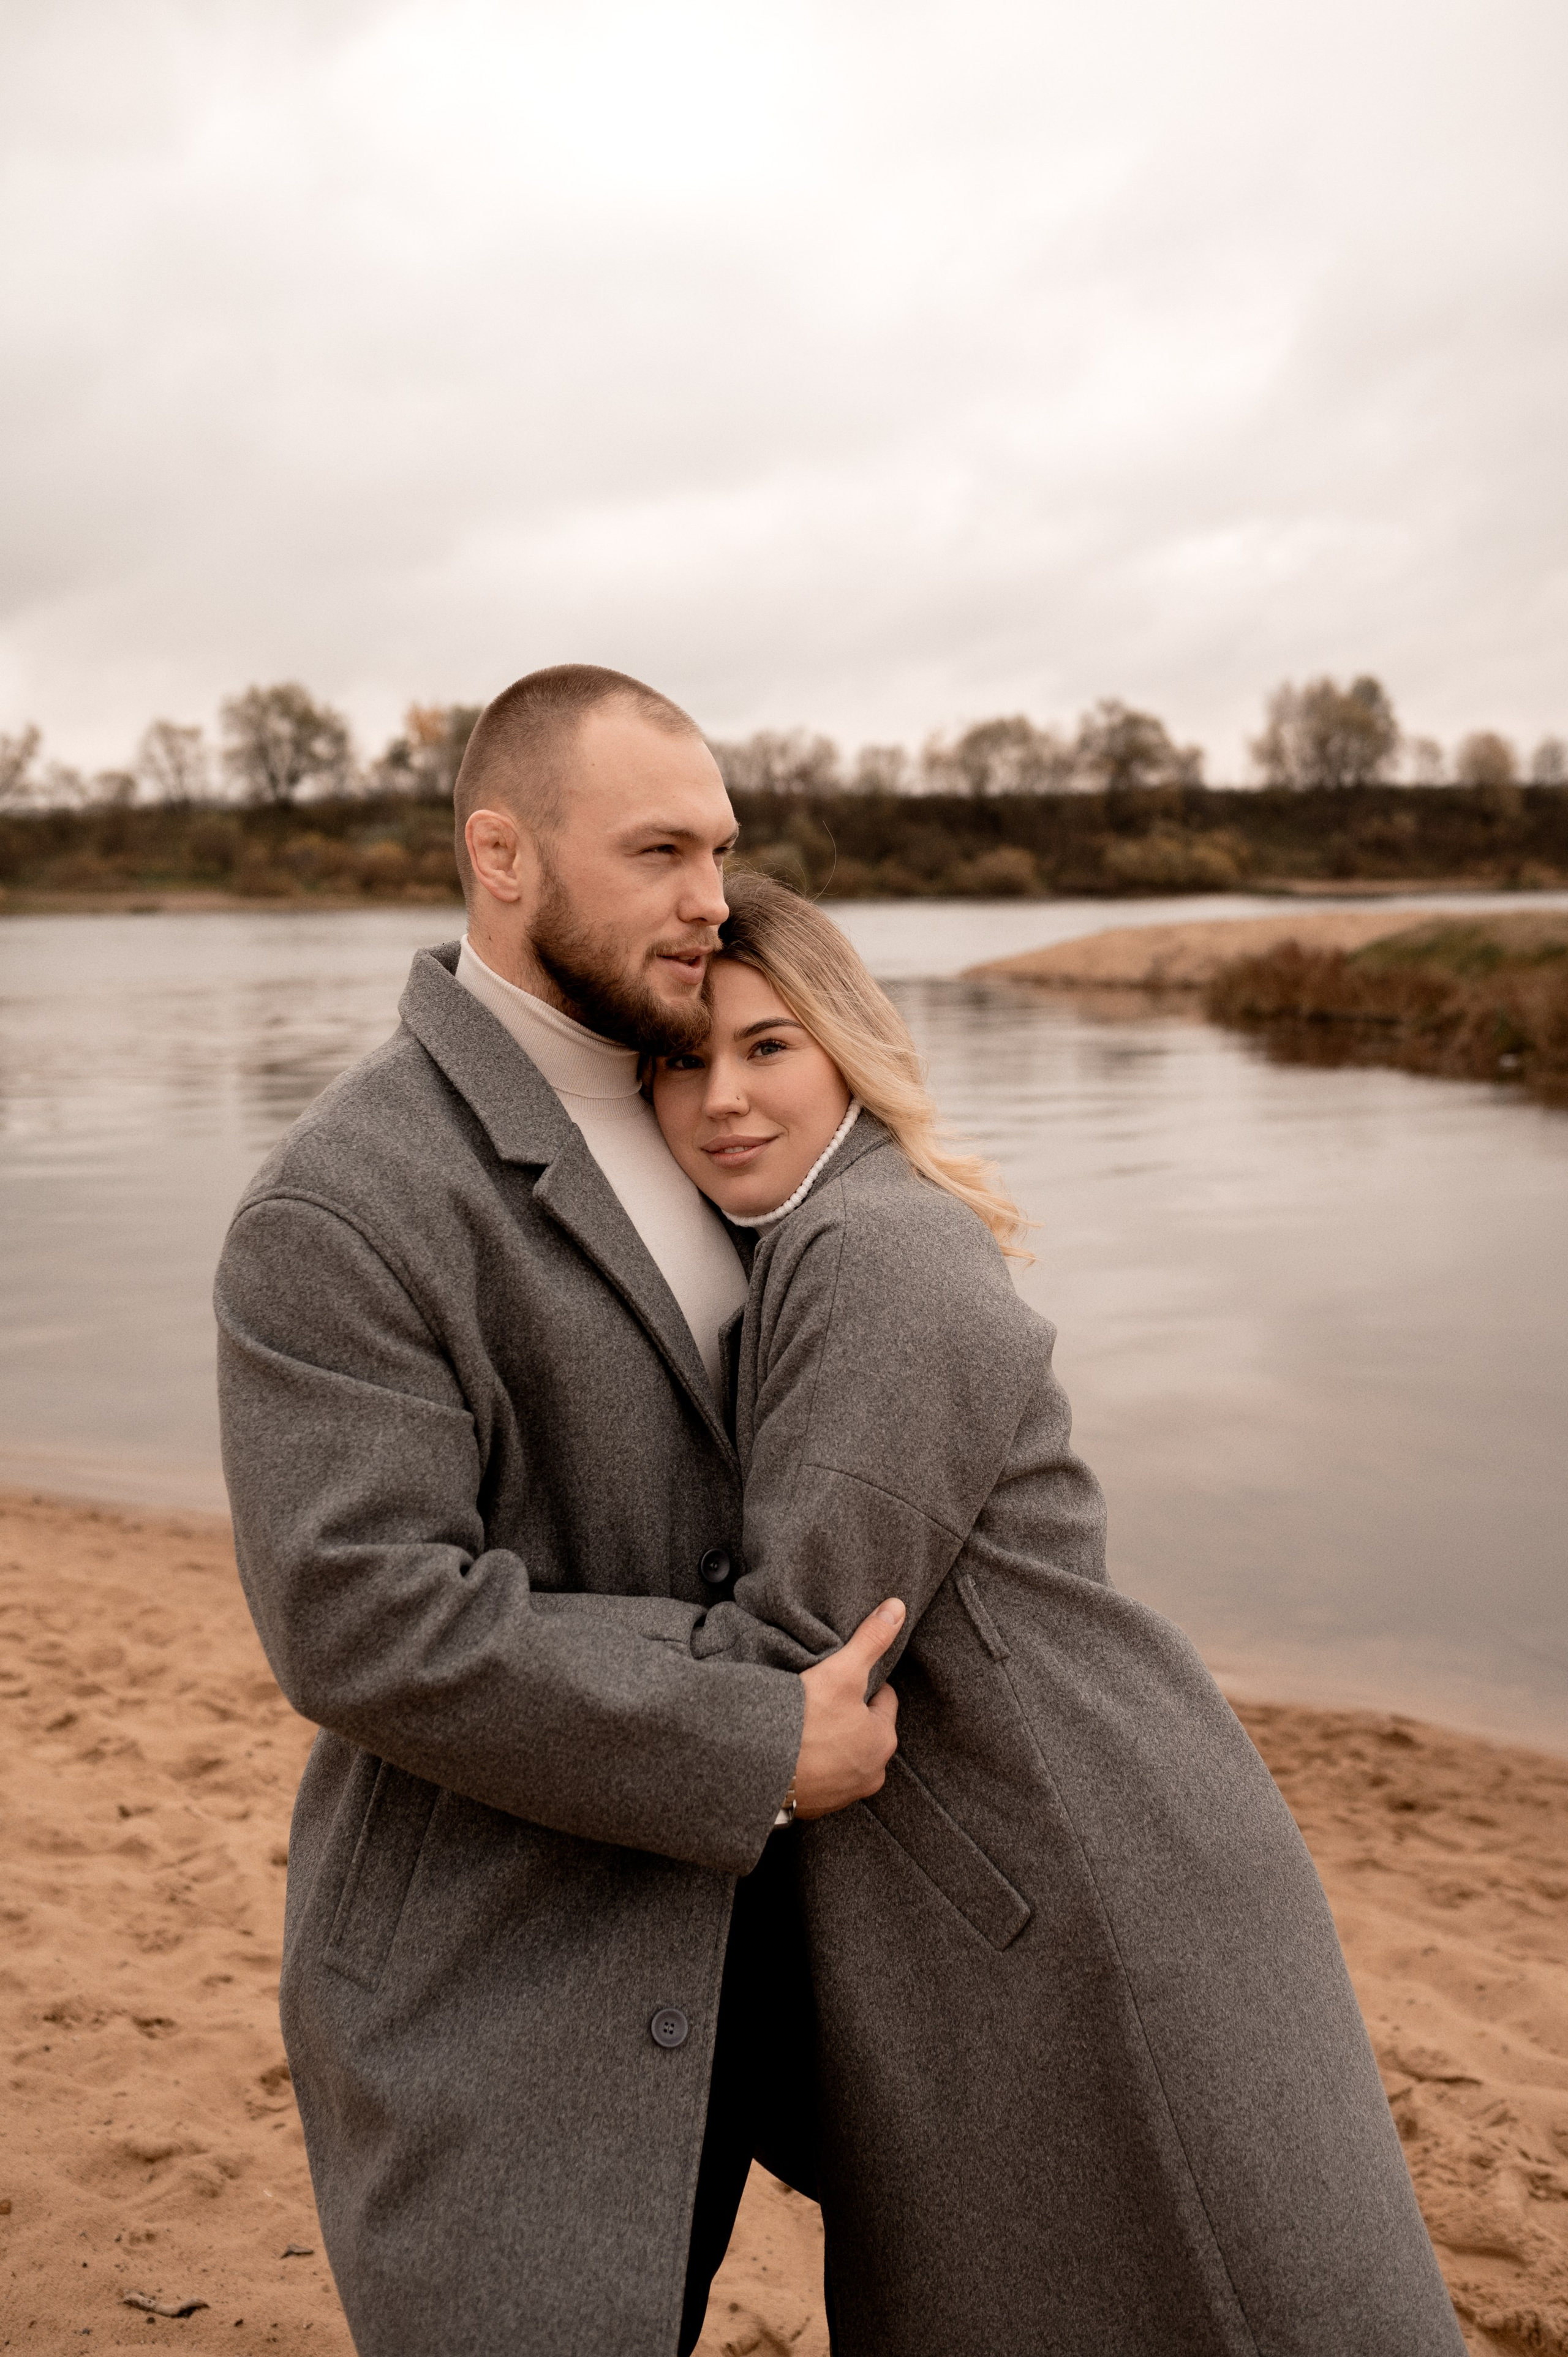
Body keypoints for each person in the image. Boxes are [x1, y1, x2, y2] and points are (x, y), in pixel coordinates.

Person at [649, 871, 1469, 2357]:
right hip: (1038, 1844)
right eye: (680, 1058)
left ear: (845, 1043)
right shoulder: (806, 1242)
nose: (722, 1097)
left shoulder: (875, 1248)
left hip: (1081, 1862)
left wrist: (497, 1686)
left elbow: (810, 1630)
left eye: (766, 1045)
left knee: (1204, 2293)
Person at [214, 667, 905, 2357]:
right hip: (500, 1980)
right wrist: (747, 1730)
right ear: (500, 858)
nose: (708, 898)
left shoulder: (721, 1102)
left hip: (770, 1949)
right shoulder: (341, 1203)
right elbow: (360, 1615)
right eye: (659, 850)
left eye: (722, 849)